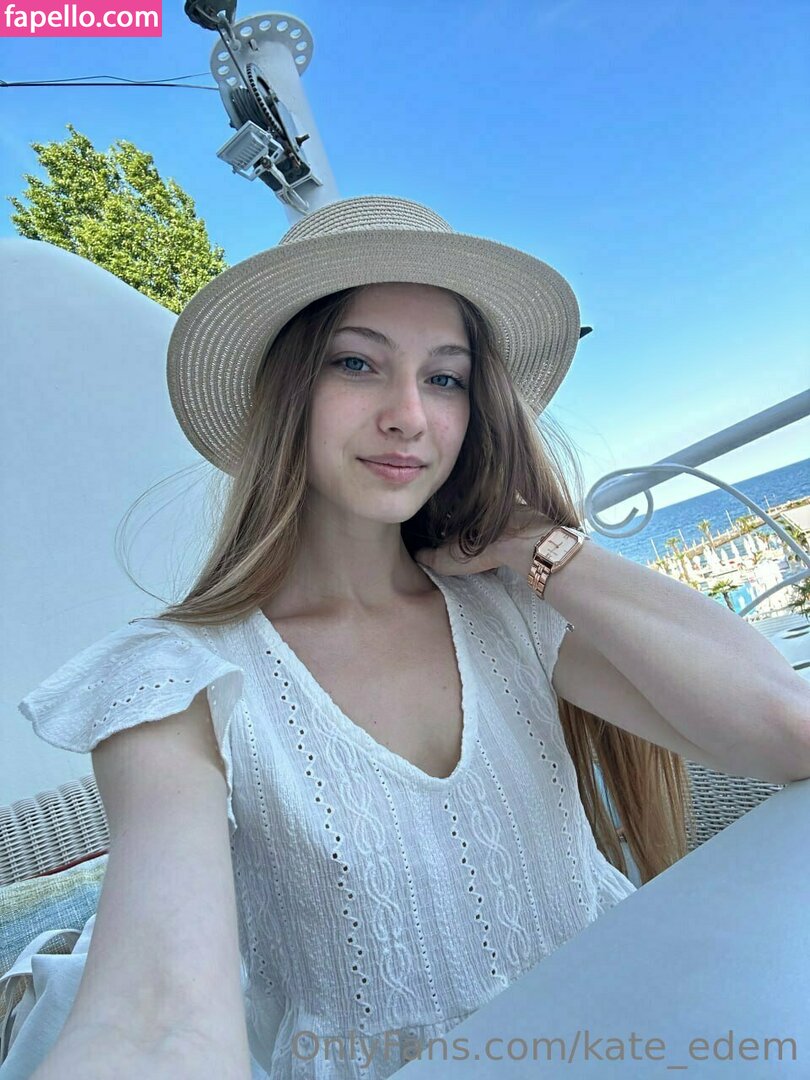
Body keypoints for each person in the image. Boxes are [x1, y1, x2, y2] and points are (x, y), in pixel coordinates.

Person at [8, 195, 807, 1080]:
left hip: (632, 1037)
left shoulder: (512, 611)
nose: (409, 415)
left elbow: (789, 731)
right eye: (357, 363)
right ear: (285, 393)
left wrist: (538, 545)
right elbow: (157, 1019)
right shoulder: (175, 679)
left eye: (446, 378)